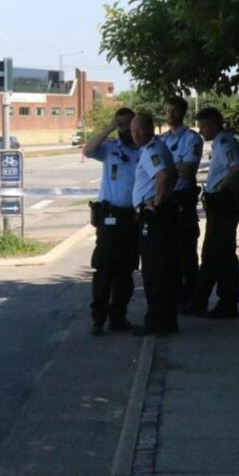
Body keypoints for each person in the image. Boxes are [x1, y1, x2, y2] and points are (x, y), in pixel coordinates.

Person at [183, 107, 239, 319]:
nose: (201, 131)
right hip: (221, 205)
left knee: (219, 254)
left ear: (212, 125)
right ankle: (202, 301)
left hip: (223, 204)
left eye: (202, 127)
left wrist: (222, 188)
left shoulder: (223, 142)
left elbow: (238, 167)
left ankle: (223, 303)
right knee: (217, 254)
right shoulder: (223, 142)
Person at [83, 108, 140, 335]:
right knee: (104, 270)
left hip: (132, 218)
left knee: (125, 272)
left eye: (129, 125)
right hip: (109, 218)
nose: (126, 130)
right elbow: (88, 150)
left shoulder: (143, 150)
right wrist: (110, 126)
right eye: (122, 126)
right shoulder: (110, 149)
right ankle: (98, 319)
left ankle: (119, 317)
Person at [131, 112, 180, 335]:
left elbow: (162, 176)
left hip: (154, 218)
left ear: (151, 128)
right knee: (163, 268)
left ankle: (157, 322)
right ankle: (166, 320)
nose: (136, 134)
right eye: (133, 131)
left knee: (154, 271)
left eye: (140, 129)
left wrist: (157, 205)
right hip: (162, 215)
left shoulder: (152, 150)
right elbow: (172, 175)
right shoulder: (155, 148)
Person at [159, 96, 204, 299]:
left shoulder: (191, 138)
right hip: (165, 199)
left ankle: (192, 296)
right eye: (167, 111)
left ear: (183, 112)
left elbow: (187, 170)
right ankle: (175, 295)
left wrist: (164, 170)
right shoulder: (161, 139)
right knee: (167, 252)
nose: (170, 115)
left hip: (182, 199)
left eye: (174, 111)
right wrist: (173, 168)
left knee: (186, 250)